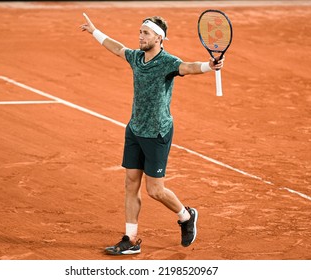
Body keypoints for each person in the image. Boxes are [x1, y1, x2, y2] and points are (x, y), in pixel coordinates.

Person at [80, 13, 224, 255]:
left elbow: (187, 67)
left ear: (159, 37)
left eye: (145, 33)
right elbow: (117, 48)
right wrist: (95, 31)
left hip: (157, 132)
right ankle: (130, 239)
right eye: (140, 32)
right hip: (135, 129)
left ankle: (186, 216)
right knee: (130, 184)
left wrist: (208, 66)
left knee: (155, 190)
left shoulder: (168, 62)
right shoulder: (137, 58)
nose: (140, 37)